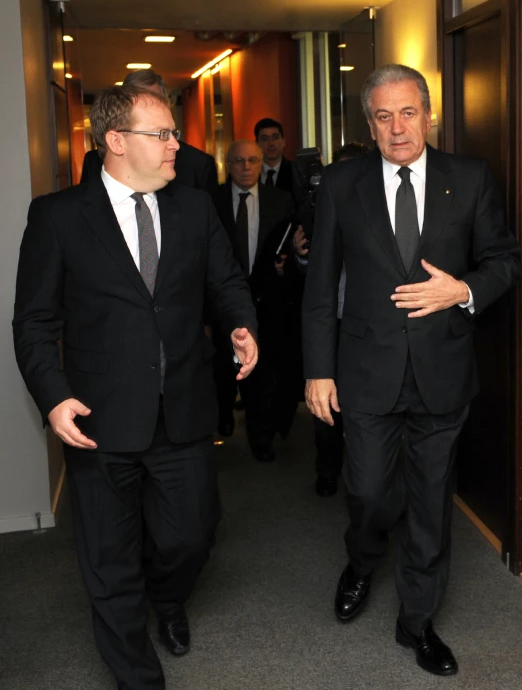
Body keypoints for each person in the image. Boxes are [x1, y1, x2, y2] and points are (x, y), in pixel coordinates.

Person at [13, 84, 258, 690]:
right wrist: (51, 395)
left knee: (192, 536)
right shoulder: (58, 216)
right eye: (165, 134)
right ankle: (137, 678)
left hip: (184, 412)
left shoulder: (195, 208)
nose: (179, 145)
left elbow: (226, 282)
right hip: (98, 418)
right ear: (116, 141)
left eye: (174, 132)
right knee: (108, 560)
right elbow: (36, 320)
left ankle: (168, 599)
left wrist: (242, 325)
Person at [302, 64, 520, 677]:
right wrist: (318, 370)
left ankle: (417, 622)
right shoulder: (342, 184)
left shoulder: (469, 178)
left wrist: (463, 291)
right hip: (365, 371)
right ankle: (363, 558)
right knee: (370, 493)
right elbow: (320, 287)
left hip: (443, 372)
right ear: (368, 125)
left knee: (430, 501)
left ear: (428, 114)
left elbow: (505, 260)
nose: (397, 128)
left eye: (407, 113)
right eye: (382, 115)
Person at [293, 142, 370, 497]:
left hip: (372, 327)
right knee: (327, 404)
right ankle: (328, 471)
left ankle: (369, 481)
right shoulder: (323, 209)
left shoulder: (381, 213)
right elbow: (312, 275)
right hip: (334, 322)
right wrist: (300, 255)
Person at [213, 140, 296, 461]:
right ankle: (223, 414)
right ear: (227, 165)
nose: (246, 167)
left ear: (262, 164)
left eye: (252, 160)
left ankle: (261, 440)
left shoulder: (282, 201)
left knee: (264, 376)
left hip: (267, 304)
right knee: (223, 369)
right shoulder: (211, 202)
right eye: (238, 161)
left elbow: (291, 251)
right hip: (222, 307)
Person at [81, 69, 218, 197]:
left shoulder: (197, 169)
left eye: (154, 99)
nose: (174, 145)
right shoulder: (65, 212)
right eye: (137, 100)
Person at [254, 117, 294, 194]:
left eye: (275, 137)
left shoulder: (296, 172)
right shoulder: (249, 172)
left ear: (283, 142)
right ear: (257, 144)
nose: (271, 143)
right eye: (264, 139)